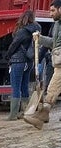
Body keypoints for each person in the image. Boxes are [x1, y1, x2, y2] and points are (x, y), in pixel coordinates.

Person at [25, 0, 61, 129]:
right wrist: (40, 38)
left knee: (53, 88)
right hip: (58, 62)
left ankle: (43, 114)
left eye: (53, 10)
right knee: (53, 87)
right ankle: (43, 115)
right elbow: (54, 43)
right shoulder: (56, 25)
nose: (50, 14)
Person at [5, 10, 42, 120]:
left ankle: (13, 114)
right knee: (24, 86)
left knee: (15, 87)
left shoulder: (22, 31)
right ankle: (26, 112)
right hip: (29, 61)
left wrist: (8, 55)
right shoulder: (37, 29)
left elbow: (14, 44)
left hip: (17, 61)